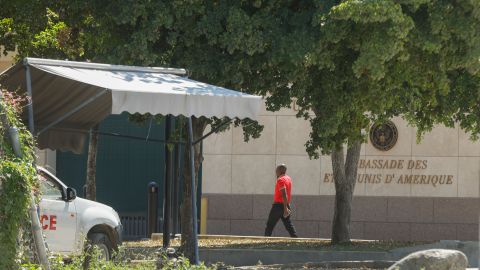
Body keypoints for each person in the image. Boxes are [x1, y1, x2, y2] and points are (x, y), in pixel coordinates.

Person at [264, 164, 298, 237]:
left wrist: (285, 209)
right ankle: (296, 239)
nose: (275, 172)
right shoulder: (288, 178)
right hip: (286, 205)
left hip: (278, 206)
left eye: (276, 170)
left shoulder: (280, 180)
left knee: (270, 225)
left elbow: (284, 194)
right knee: (288, 224)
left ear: (280, 171)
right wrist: (287, 206)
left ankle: (265, 240)